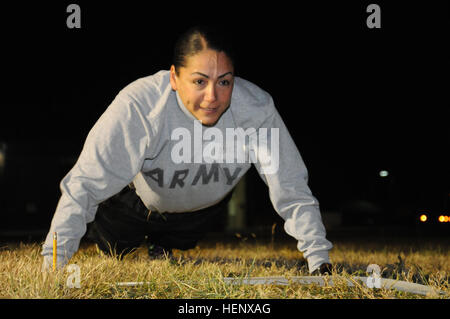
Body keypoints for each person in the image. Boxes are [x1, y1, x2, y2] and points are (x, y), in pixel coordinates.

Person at [41, 25, 333, 274]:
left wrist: (319, 259)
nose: (212, 97)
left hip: (198, 213)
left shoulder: (256, 109)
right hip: (133, 207)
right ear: (173, 78)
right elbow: (85, 184)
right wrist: (53, 263)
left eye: (224, 82)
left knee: (177, 240)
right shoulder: (140, 106)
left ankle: (165, 244)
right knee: (117, 249)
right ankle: (125, 240)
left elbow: (290, 186)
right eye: (199, 81)